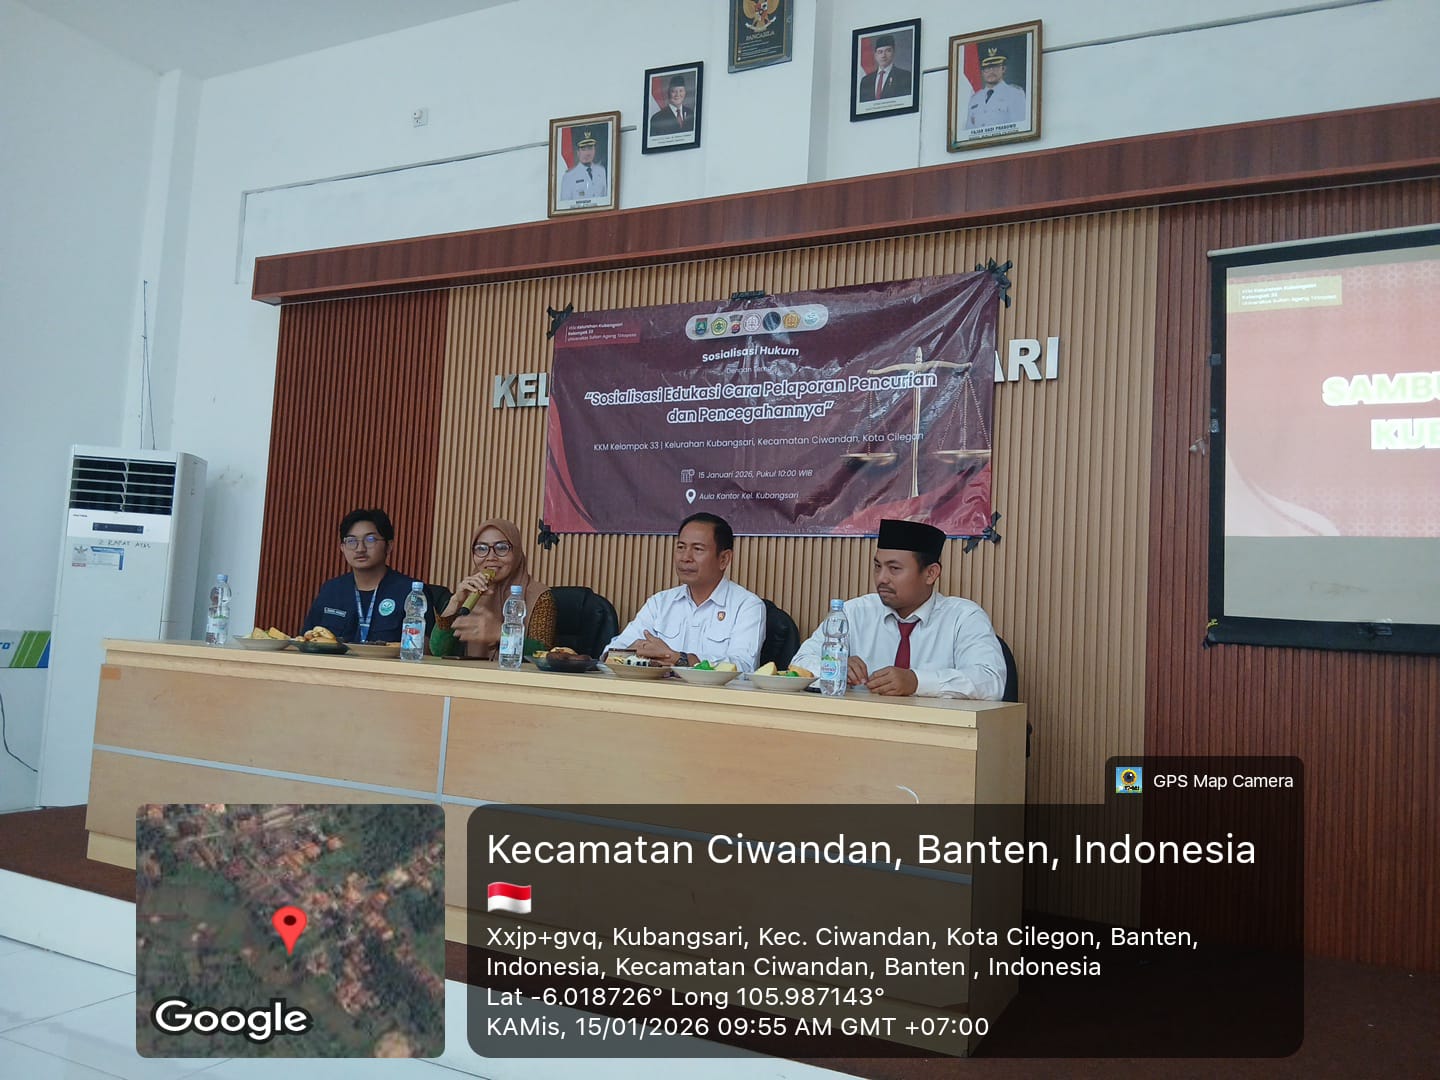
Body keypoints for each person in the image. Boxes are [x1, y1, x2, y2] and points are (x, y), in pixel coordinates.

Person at [791, 518, 1005, 698]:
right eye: (878, 567)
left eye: (894, 568)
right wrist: (834, 667)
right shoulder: (853, 612)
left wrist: (917, 681)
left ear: (931, 573)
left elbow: (990, 681)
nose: (881, 578)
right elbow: (799, 664)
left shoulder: (963, 617)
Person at [604, 512, 765, 671]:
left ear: (724, 559)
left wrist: (677, 659)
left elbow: (743, 667)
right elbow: (609, 654)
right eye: (681, 547)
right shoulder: (660, 603)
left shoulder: (747, 606)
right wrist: (632, 654)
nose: (685, 557)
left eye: (698, 549)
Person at [430, 518, 555, 659]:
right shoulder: (470, 592)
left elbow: (544, 654)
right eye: (481, 548)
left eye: (501, 548)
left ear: (517, 552)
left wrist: (500, 634)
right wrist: (455, 601)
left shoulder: (540, 596)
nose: (490, 557)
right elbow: (439, 651)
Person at [303, 508, 433, 643]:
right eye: (352, 541)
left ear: (389, 546)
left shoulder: (410, 592)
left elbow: (424, 647)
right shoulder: (331, 590)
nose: (360, 549)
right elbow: (307, 638)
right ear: (342, 548)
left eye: (370, 539)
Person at [965, 46, 1028, 129]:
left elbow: (1020, 127)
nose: (991, 71)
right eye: (987, 68)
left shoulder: (1015, 94)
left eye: (995, 67)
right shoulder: (975, 98)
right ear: (982, 72)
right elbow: (969, 130)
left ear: (1003, 69)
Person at [858, 34, 912, 102]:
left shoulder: (905, 77)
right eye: (880, 52)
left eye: (888, 51)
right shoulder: (866, 81)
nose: (883, 55)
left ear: (894, 52)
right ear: (875, 55)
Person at [558, 131, 608, 201]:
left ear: (595, 150)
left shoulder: (602, 171)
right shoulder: (569, 177)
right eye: (583, 149)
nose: (587, 153)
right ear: (578, 152)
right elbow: (565, 204)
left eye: (590, 148)